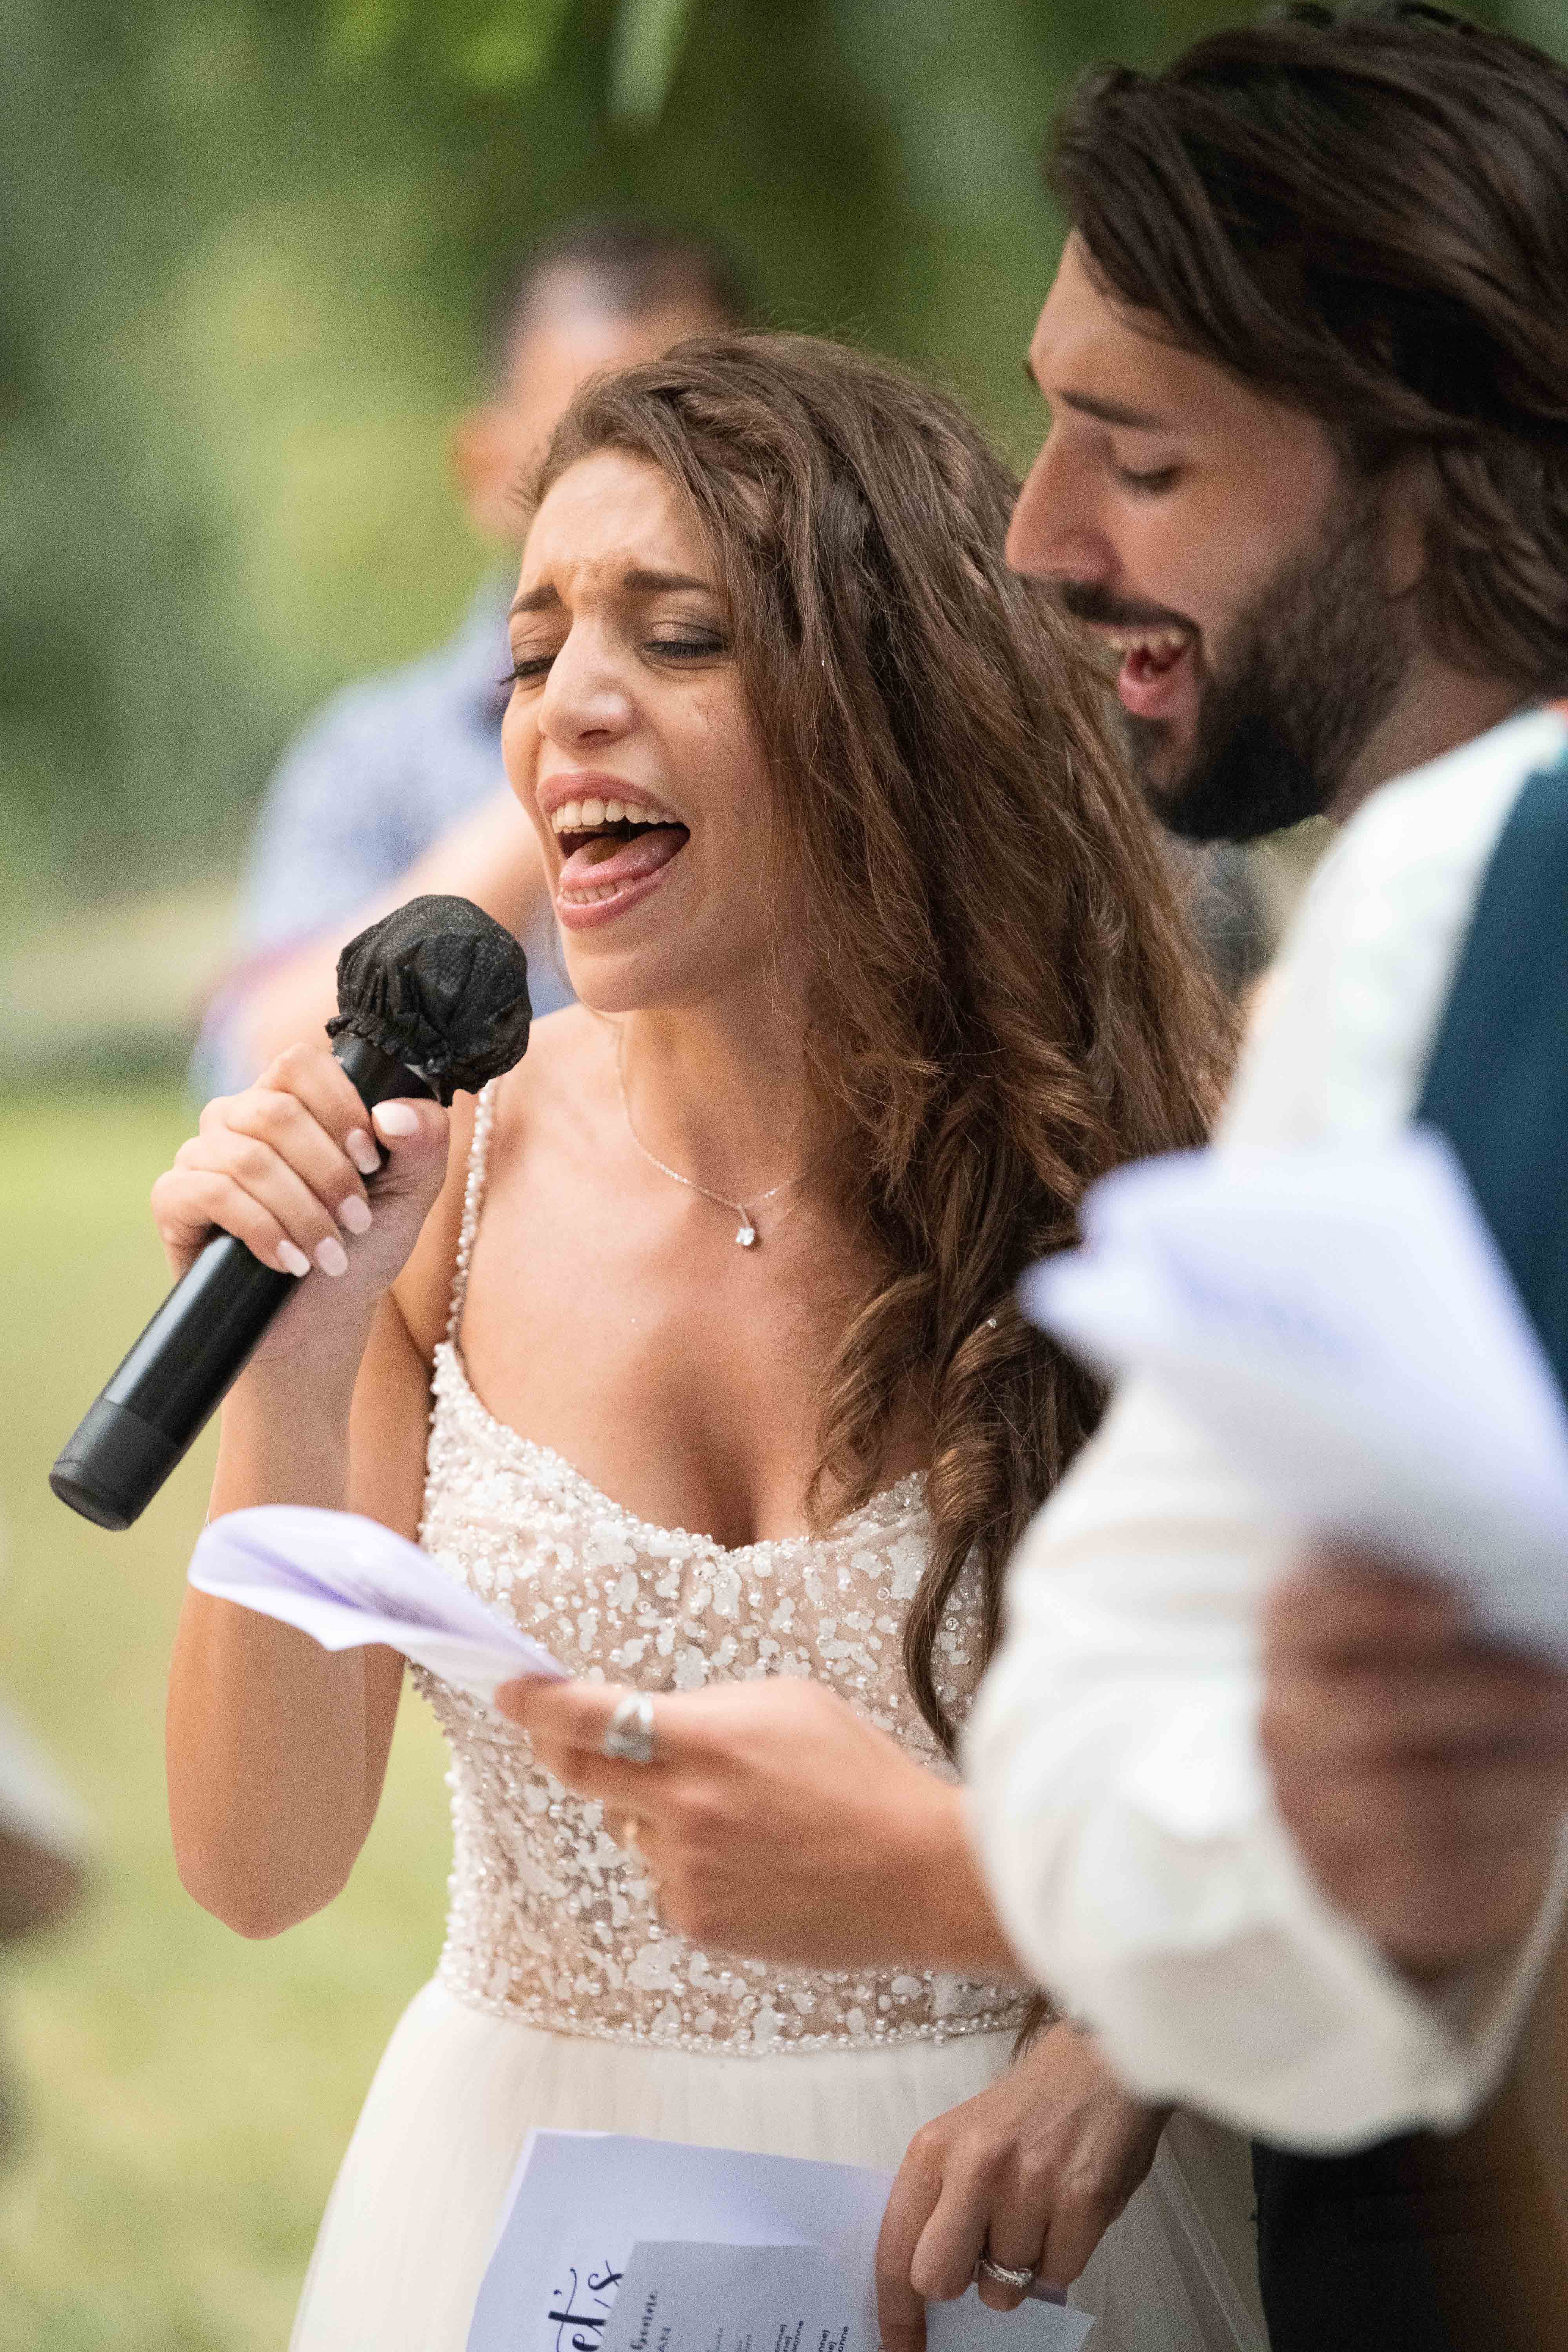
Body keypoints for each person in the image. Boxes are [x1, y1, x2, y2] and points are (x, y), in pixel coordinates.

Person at [501, 8, 1568, 2344]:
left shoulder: (1457, 897)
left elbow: (1388, 1807)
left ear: (1417, 473)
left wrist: (942, 1867)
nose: (1038, 541)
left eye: (1141, 460)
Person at [155, 335, 1263, 2351]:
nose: (569, 705)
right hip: (521, 2229)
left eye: (678, 637)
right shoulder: (449, 1191)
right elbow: (256, 1868)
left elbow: (1322, 1767)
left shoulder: (1146, 1171)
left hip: (1027, 2232)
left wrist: (1123, 2042)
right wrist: (297, 1357)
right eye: (534, 649)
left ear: (897, 701)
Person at [191, 220, 748, 1094]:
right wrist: (577, 782)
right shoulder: (372, 755)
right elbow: (257, 1068)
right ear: (488, 472)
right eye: (580, 448)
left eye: (692, 441)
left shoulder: (825, 712)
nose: (639, 490)